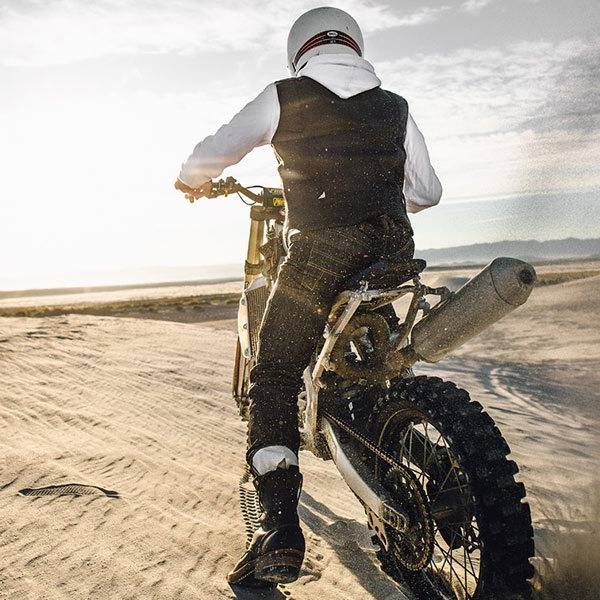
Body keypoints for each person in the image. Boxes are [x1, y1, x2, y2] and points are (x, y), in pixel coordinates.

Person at [175, 6, 442, 589]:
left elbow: (218, 149)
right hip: (392, 252)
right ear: (355, 45)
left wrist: (192, 178)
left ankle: (277, 528)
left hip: (319, 251)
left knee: (274, 373)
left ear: (300, 50)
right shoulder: (395, 106)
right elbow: (427, 191)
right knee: (376, 366)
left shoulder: (284, 96)